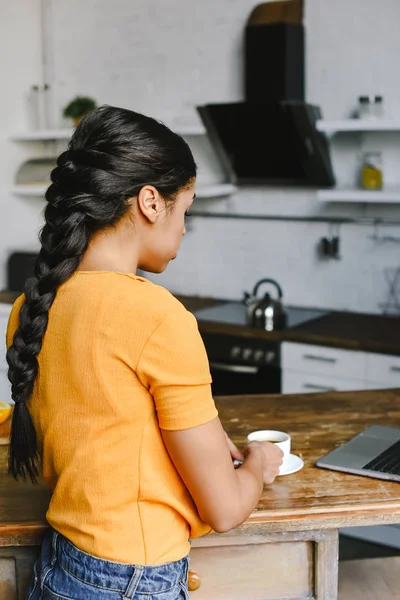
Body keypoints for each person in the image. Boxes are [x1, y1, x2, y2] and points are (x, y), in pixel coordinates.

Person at [6, 106, 283, 600]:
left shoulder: (32, 307)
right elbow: (223, 510)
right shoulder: (157, 315)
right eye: (185, 211)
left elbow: (103, 437)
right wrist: (260, 465)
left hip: (62, 563)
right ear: (151, 202)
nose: (182, 231)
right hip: (133, 578)